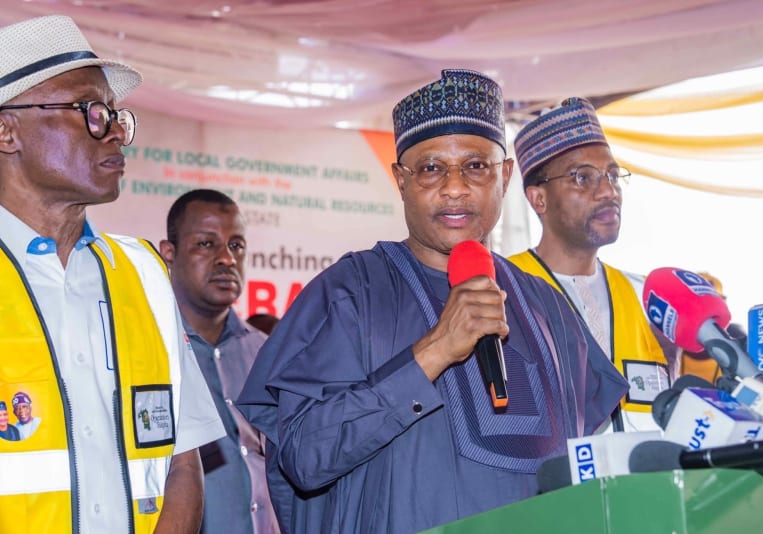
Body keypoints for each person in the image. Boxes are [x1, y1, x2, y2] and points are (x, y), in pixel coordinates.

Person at [238, 69, 629, 533]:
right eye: (431, 168)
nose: (455, 187)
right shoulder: (348, 292)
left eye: (476, 166)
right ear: (400, 180)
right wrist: (433, 351)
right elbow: (304, 457)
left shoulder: (547, 305)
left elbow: (587, 462)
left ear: (504, 176)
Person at [0, 15, 225, 533]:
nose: (116, 133)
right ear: (6, 130)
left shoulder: (144, 271)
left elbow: (181, 461)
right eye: (91, 111)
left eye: (118, 116)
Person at [508, 97, 681, 433]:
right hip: (559, 485)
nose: (608, 191)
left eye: (613, 175)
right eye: (583, 178)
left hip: (647, 482)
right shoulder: (504, 288)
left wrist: (673, 360)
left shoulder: (647, 295)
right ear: (537, 198)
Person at [159, 189, 279, 534]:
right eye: (206, 244)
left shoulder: (266, 353)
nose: (227, 258)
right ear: (169, 253)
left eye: (236, 245)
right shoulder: (151, 353)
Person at [680, 272, 746, 383]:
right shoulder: (670, 337)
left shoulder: (737, 336)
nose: (703, 309)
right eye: (697, 302)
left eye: (710, 302)